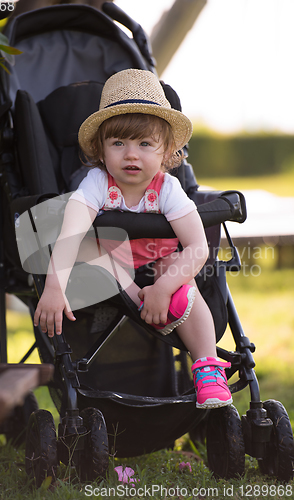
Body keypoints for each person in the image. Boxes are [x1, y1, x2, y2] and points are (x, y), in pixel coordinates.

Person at [34, 68, 232, 409]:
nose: (131, 154)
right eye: (118, 143)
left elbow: (197, 247)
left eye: (144, 144)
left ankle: (207, 366)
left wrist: (165, 288)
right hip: (114, 267)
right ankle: (136, 298)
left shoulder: (168, 189)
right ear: (100, 149)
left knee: (180, 271)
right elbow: (69, 235)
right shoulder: (96, 184)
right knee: (87, 244)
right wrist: (54, 287)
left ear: (167, 150)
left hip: (160, 264)